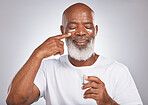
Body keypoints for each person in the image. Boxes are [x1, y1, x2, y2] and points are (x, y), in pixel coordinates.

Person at [6, 3, 143, 105]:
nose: (81, 32)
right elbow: (14, 101)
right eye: (72, 27)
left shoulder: (117, 71)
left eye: (88, 26)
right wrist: (37, 54)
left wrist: (108, 102)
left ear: (95, 31)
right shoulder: (47, 68)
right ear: (62, 30)